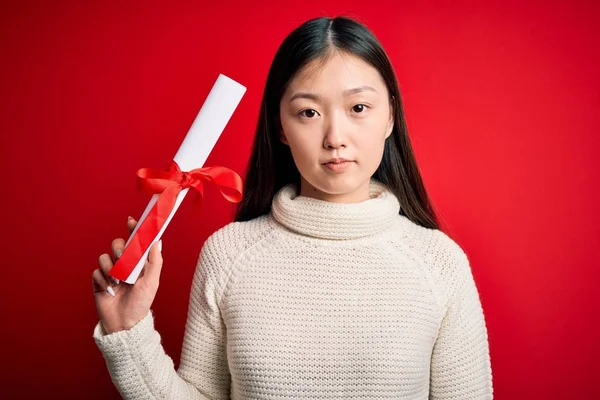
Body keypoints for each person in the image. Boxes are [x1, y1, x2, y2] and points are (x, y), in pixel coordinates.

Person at [91, 15, 493, 399]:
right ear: (280, 126)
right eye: (309, 112)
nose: (335, 137)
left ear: (390, 115)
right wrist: (127, 328)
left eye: (358, 108)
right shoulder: (228, 255)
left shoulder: (439, 263)